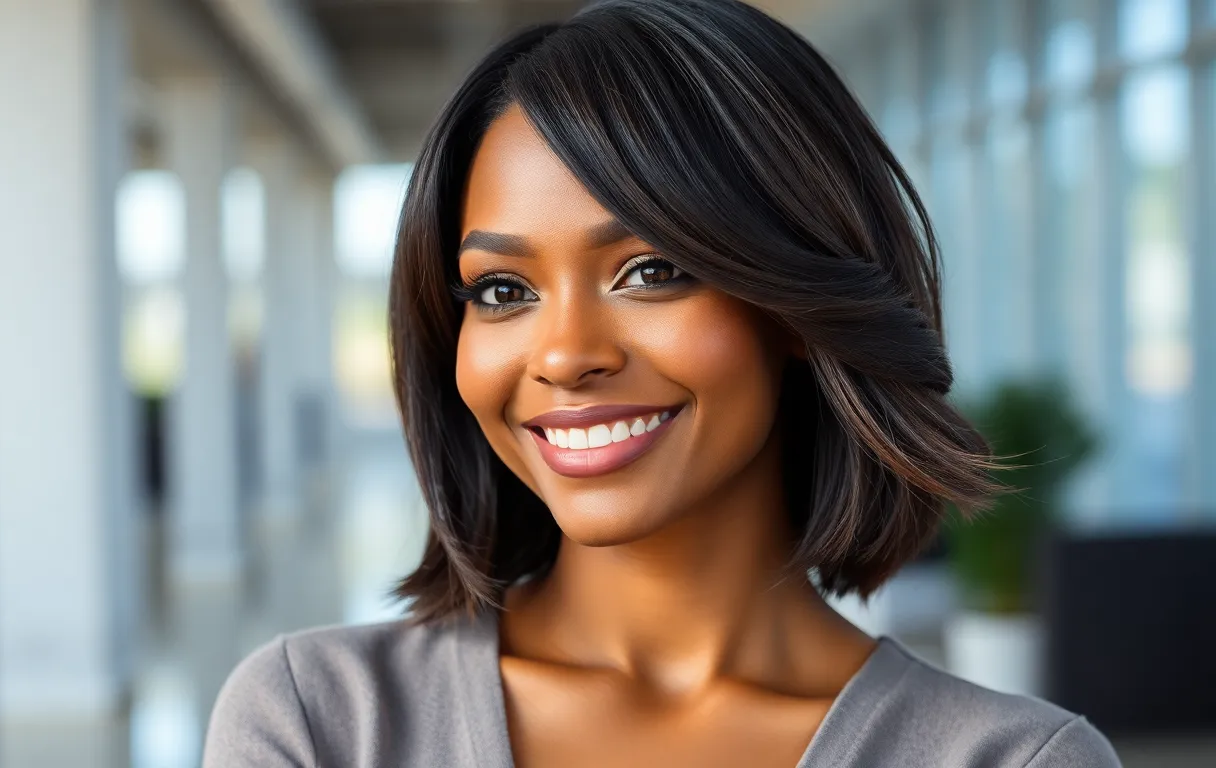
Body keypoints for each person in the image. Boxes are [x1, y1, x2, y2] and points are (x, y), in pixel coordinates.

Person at [203, 1, 1121, 765]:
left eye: (652, 271)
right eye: (503, 290)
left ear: (798, 298)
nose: (564, 355)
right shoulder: (318, 723)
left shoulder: (1012, 761)